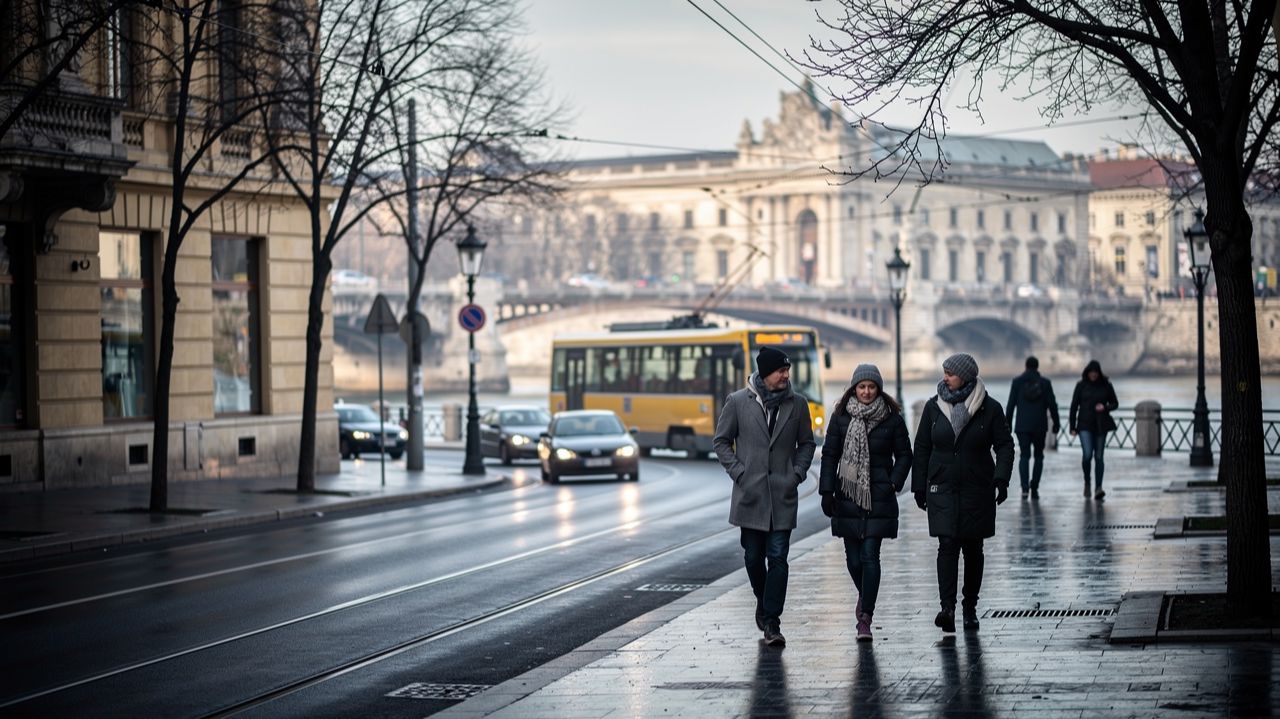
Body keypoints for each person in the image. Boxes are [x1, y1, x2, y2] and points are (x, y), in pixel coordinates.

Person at [714, 346, 816, 647]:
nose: (786, 375)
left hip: (782, 495)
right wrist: (740, 473)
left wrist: (796, 474)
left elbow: (807, 444)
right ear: (765, 373)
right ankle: (763, 600)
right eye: (780, 371)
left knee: (779, 559)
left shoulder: (797, 404)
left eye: (787, 371)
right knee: (753, 557)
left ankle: (772, 622)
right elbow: (721, 442)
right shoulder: (737, 402)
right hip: (751, 495)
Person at [911, 353, 1014, 633]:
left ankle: (970, 607)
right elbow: (921, 447)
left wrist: (1001, 479)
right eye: (944, 372)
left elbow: (1004, 445)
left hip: (977, 487)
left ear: (966, 376)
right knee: (946, 546)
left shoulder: (989, 408)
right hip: (941, 487)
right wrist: (919, 485)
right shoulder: (934, 408)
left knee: (973, 549)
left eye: (950, 373)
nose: (945, 377)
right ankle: (947, 608)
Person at [819, 364, 912, 642]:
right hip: (847, 495)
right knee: (853, 559)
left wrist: (893, 483)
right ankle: (865, 592)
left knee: (870, 555)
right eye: (862, 387)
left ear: (878, 389)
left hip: (878, 498)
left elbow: (905, 455)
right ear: (854, 389)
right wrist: (826, 491)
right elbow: (829, 456)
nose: (867, 392)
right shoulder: (840, 418)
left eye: (872, 387)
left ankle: (865, 617)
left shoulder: (892, 419)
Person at [1005, 356, 1061, 499]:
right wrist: (1056, 423)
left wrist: (1007, 426)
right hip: (1039, 425)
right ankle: (1034, 486)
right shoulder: (1045, 383)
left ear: (1026, 366)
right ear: (1037, 367)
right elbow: (1052, 405)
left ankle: (1024, 488)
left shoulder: (1017, 382)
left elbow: (1011, 405)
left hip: (1022, 426)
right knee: (1038, 456)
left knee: (1024, 455)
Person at [1068, 359, 1119, 500]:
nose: (1093, 375)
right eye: (1091, 372)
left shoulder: (1106, 385)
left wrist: (1105, 407)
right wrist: (1072, 426)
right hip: (1084, 424)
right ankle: (1087, 481)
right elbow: (1073, 407)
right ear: (1087, 373)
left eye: (1096, 372)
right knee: (1087, 455)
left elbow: (1115, 403)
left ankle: (1098, 487)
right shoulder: (1081, 386)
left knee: (1099, 457)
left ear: (1099, 373)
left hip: (1101, 424)